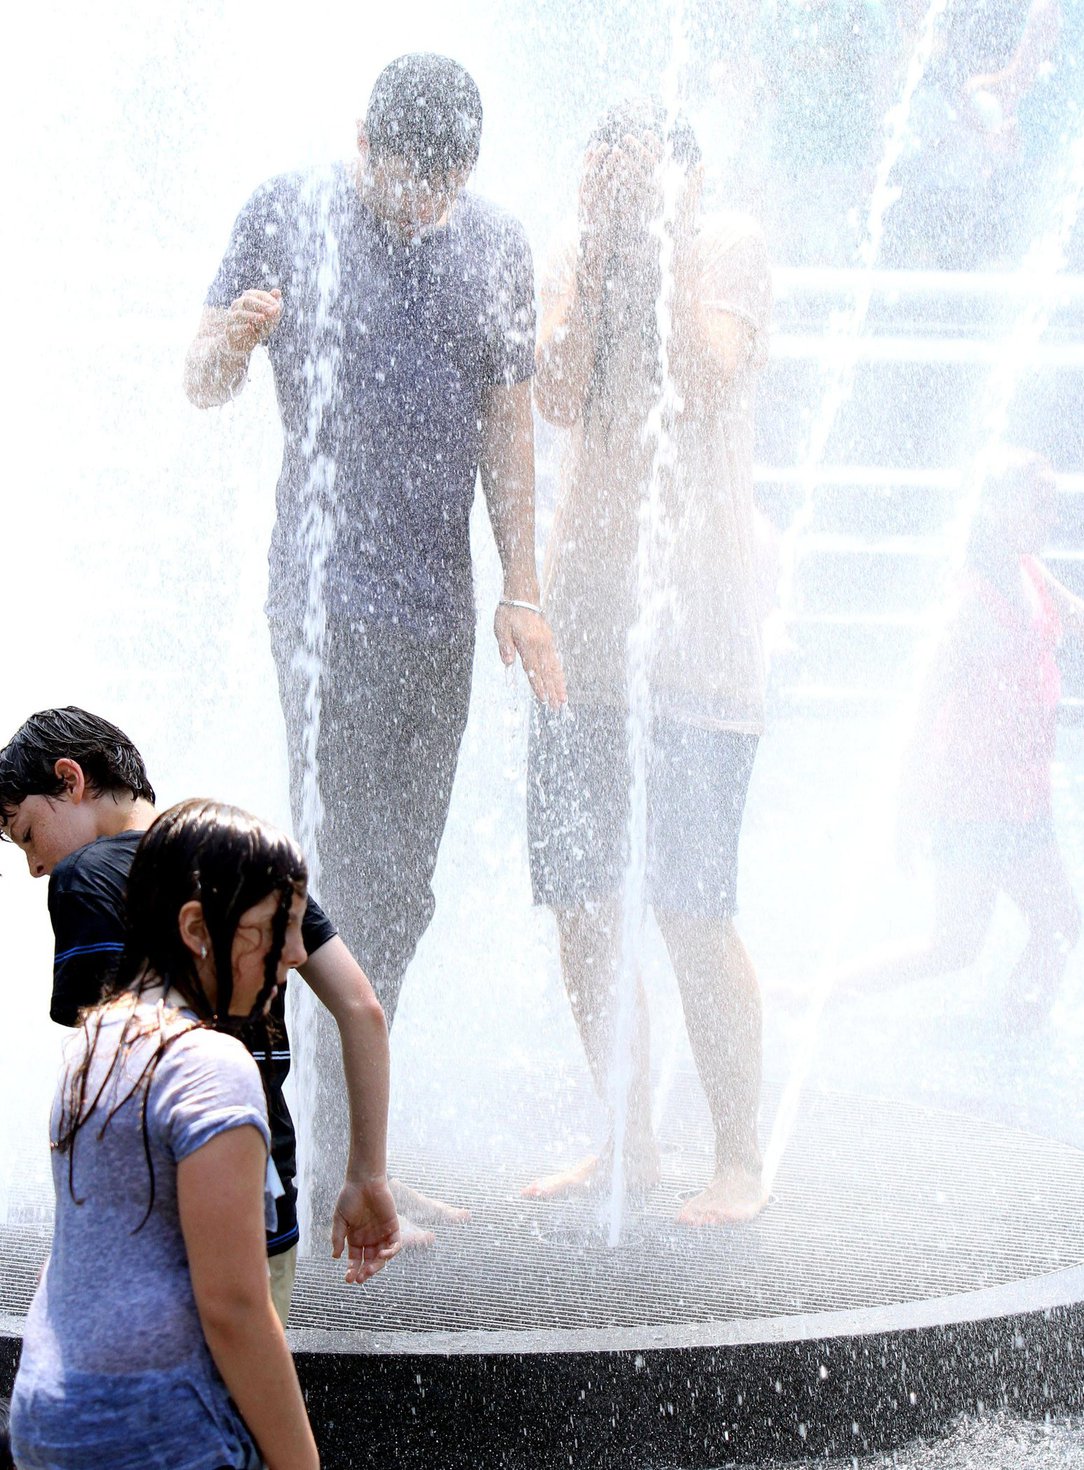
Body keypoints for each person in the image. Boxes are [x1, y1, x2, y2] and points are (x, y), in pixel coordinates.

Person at [183, 53, 565, 1227]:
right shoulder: (287, 213)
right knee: (336, 871)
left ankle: (349, 1137)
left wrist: (524, 586)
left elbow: (507, 417)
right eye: (411, 184)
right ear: (364, 142)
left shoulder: (493, 243)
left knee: (403, 885)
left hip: (437, 607)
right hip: (322, 604)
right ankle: (311, 1149)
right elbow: (199, 380)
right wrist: (234, 340)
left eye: (448, 189)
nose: (427, 210)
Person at [523, 102, 772, 1225]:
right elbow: (558, 393)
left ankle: (738, 1156)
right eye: (606, 178)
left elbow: (706, 376)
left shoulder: (728, 247)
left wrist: (660, 241)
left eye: (639, 179)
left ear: (688, 180)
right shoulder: (573, 257)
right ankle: (627, 1140)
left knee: (691, 908)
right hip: (583, 639)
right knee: (581, 902)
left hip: (699, 648)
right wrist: (597, 249)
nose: (620, 196)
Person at [0, 706, 399, 1313]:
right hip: (268, 1211)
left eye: (27, 833)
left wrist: (86, 1245)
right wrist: (367, 1176)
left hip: (160, 1233)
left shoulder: (87, 879)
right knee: (249, 1370)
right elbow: (362, 1007)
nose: (33, 867)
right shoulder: (245, 854)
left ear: (70, 779)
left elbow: (109, 1077)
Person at [10, 798, 320, 1469]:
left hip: (53, 1413)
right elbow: (234, 1307)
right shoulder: (210, 1065)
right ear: (196, 928)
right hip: (156, 1428)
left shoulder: (95, 1042)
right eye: (278, 927)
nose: (296, 955)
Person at [837, 449, 1082, 1021]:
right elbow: (922, 719)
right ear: (997, 507)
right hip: (973, 802)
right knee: (953, 947)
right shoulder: (968, 608)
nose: (1051, 516)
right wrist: (904, 814)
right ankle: (815, 1000)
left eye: (1052, 503)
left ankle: (1020, 1027)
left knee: (1059, 925)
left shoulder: (1029, 571)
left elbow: (1076, 617)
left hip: (1021, 797)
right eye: (1038, 503)